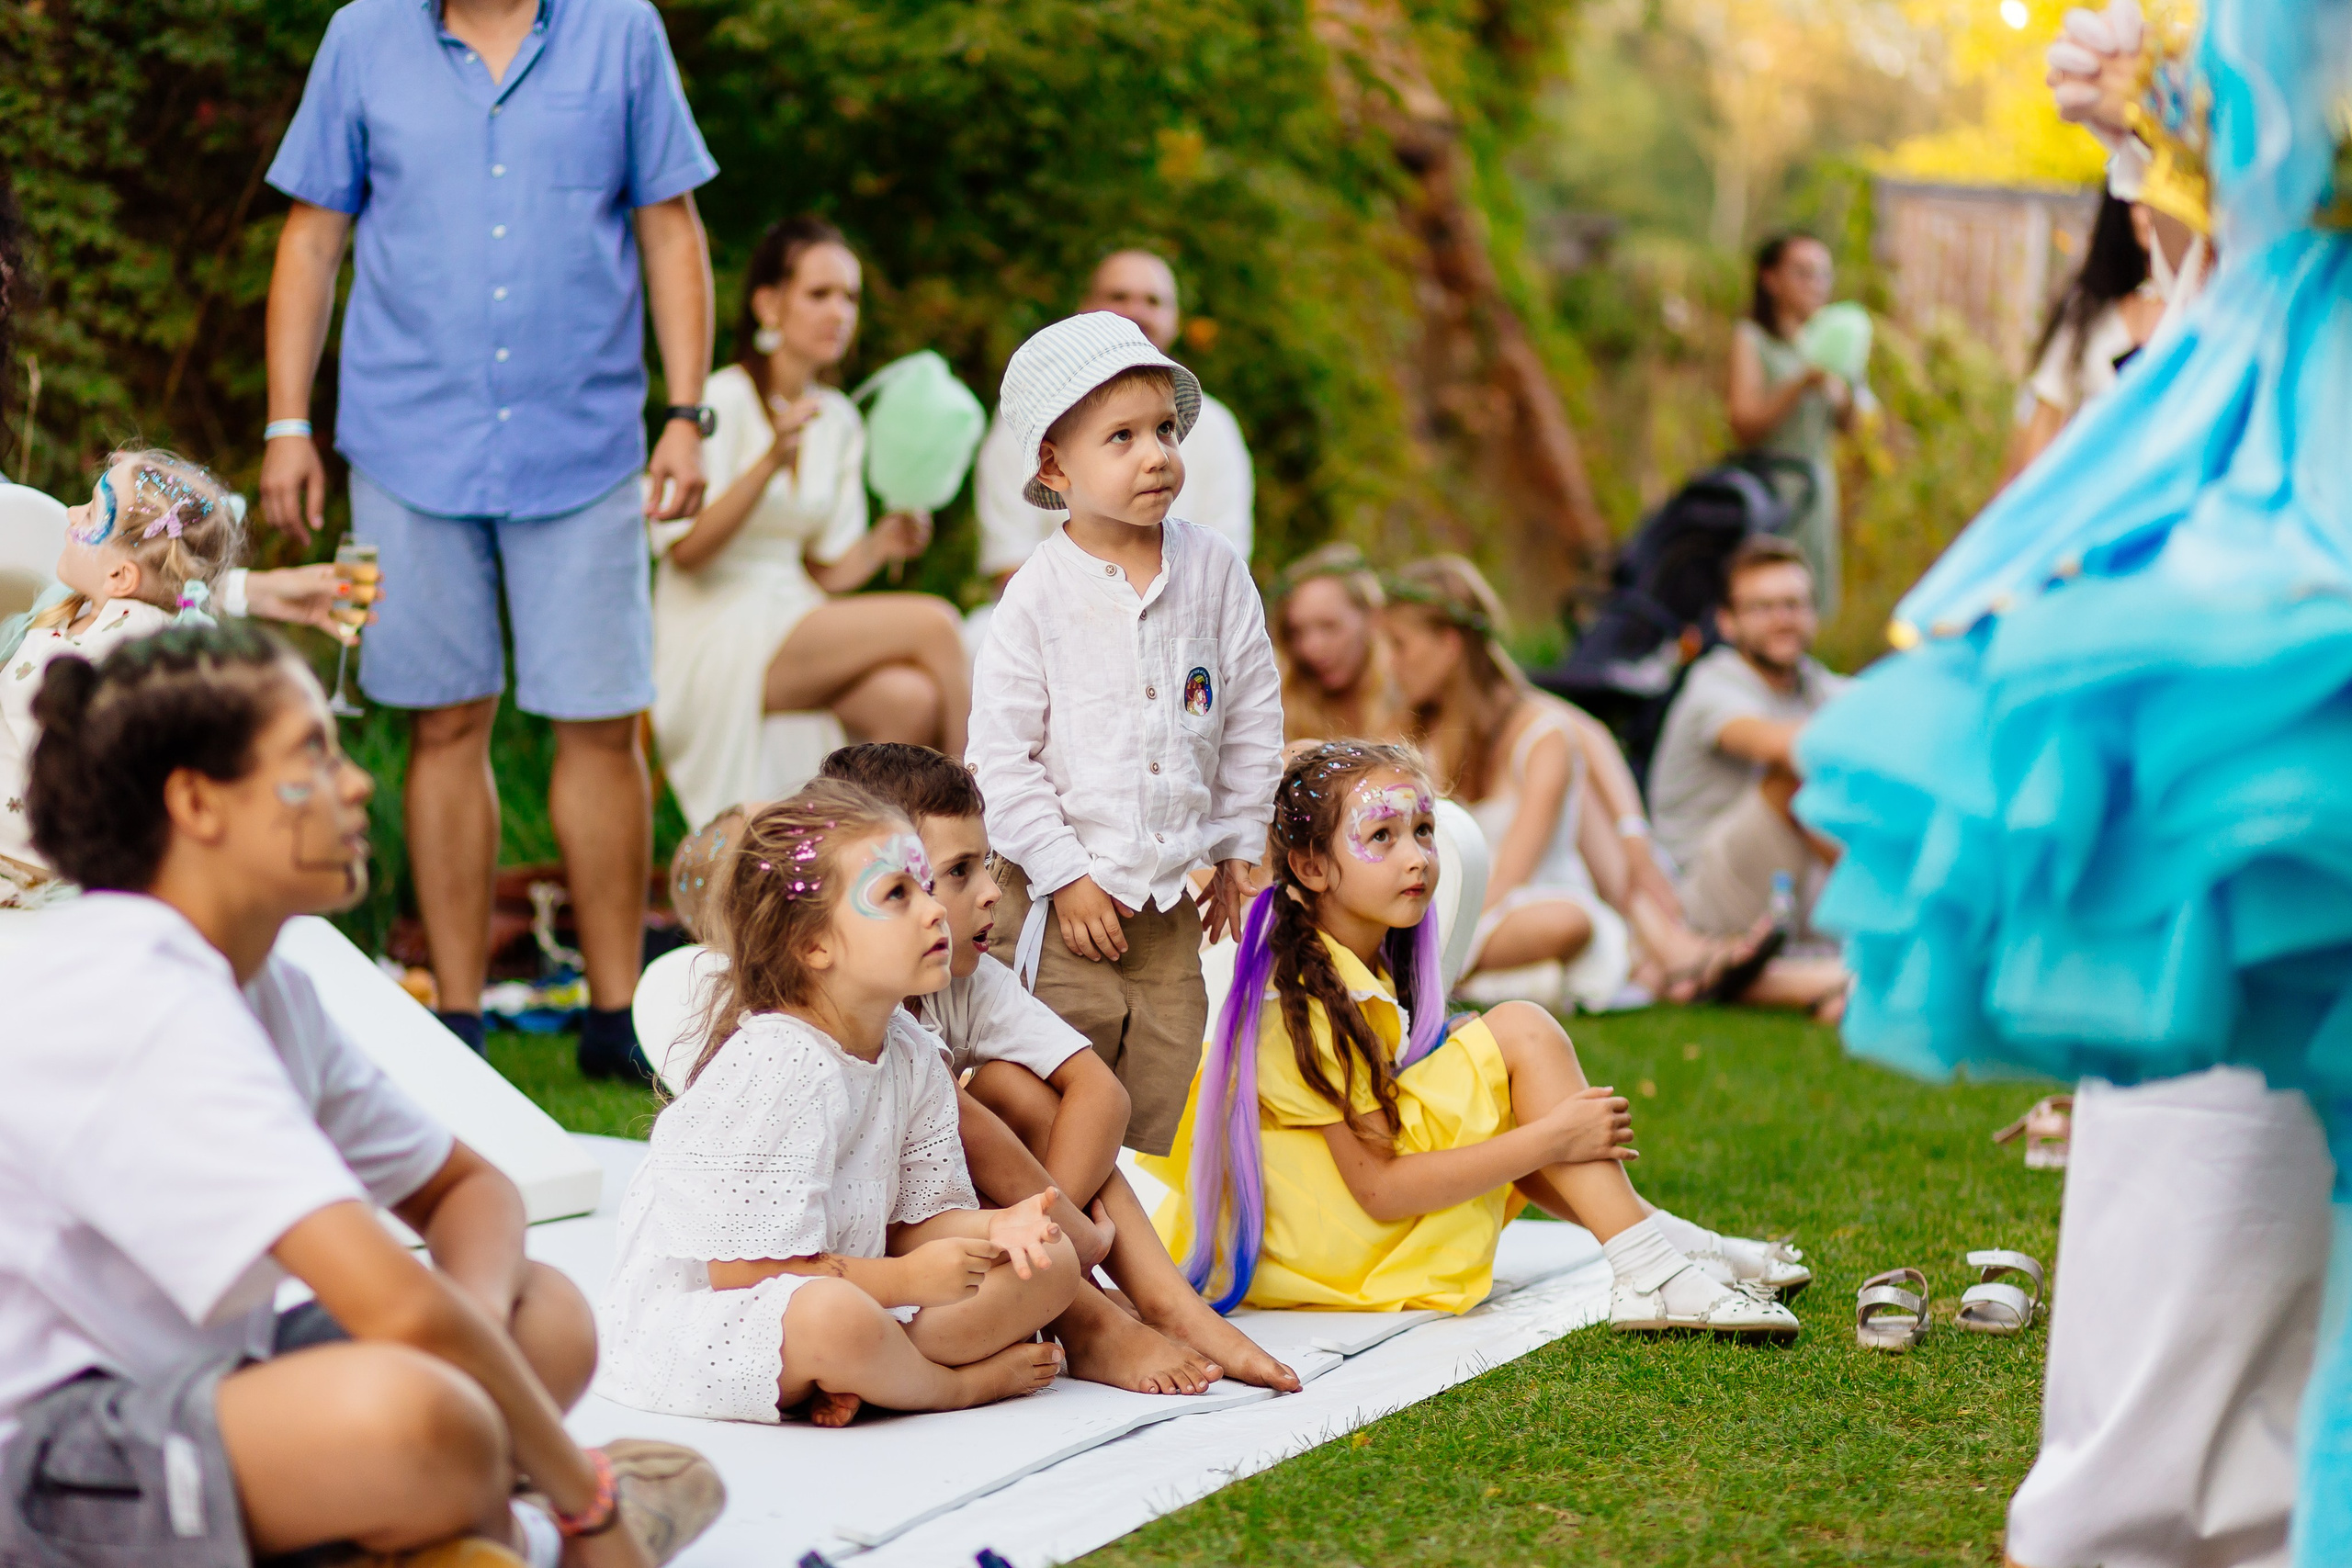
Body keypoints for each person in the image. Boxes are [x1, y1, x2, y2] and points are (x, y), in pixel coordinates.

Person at [1795, 1, 2349, 1562]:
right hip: (2265, 570)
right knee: (2214, 1108)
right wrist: (2180, 118)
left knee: (2219, 1113)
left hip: (2286, 563)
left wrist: (2186, 108)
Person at [0, 620, 721, 1568]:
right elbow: (398, 1311)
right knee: (420, 1418)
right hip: (45, 1449)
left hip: (211, 1380)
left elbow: (472, 1190)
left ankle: (432, 1522)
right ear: (197, 804)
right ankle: (530, 1533)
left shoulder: (267, 982)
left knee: (543, 1317)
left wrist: (474, 1361)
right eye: (312, 753)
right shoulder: (136, 990)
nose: (357, 784)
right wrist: (583, 1499)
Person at [258, 0, 721, 1074]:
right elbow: (313, 235)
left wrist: (687, 416)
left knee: (604, 725)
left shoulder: (623, 33)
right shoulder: (361, 37)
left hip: (588, 443)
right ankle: (456, 1016)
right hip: (407, 439)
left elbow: (669, 229)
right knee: (445, 723)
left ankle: (618, 1020)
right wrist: (290, 423)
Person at [1145, 741, 1805, 1331]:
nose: (1417, 858)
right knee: (1519, 1031)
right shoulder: (1297, 999)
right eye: (1382, 836)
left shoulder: (1359, 961)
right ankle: (1650, 1262)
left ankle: (1657, 1242)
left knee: (1489, 1042)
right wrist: (1552, 1136)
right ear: (1312, 868)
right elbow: (1379, 1189)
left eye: (1424, 830)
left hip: (1342, 1227)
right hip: (1335, 1249)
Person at [817, 741, 1303, 1393]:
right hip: (857, 1262)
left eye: (985, 863)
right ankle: (1094, 1322)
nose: (992, 892)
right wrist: (1069, 1236)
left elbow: (1100, 1092)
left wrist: (1060, 1227)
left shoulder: (964, 982)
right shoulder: (838, 1014)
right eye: (959, 871)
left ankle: (1164, 1305)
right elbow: (960, 1129)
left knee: (1008, 1086)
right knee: (973, 1107)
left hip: (948, 1231)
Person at [597, 783, 1077, 1428]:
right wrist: (908, 1281)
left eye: (925, 887)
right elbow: (741, 1271)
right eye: (896, 894)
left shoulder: (908, 1049)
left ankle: (873, 1374)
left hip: (857, 1281)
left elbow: (913, 1222)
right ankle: (946, 1386)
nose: (934, 911)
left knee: (1053, 1261)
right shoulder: (780, 1061)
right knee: (834, 1317)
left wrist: (994, 1229)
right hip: (726, 1313)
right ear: (814, 945)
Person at [968, 311, 1284, 1158]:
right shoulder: (1037, 595)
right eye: (1122, 437)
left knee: (1162, 1074)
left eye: (1165, 430)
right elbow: (1001, 758)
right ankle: (1059, 1246)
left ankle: (1131, 1245)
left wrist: (1236, 843)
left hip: (1170, 899)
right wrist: (1064, 874)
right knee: (1062, 1088)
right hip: (1060, 900)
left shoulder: (1214, 569)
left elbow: (1250, 709)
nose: (1157, 454)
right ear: (1054, 465)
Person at [651, 217, 969, 831]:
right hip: (715, 624)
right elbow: (685, 551)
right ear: (769, 304)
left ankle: (863, 865)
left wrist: (883, 543)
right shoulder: (723, 399)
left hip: (792, 610)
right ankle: (975, 831)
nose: (839, 313)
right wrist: (769, 462)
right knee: (938, 624)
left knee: (910, 701)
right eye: (819, 294)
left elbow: (825, 574)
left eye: (850, 297)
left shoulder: (841, 419)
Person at [1384, 556, 1799, 1009]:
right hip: (1441, 908)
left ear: (1448, 646)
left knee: (1567, 921)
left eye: (1400, 646)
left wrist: (1634, 837)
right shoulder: (1404, 734)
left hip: (1507, 906)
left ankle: (1421, 964)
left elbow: (1508, 878)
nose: (1390, 664)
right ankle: (1723, 967)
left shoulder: (1536, 729)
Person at [1, 450, 244, 900]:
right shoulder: (83, 608)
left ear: (119, 575)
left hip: (21, 863)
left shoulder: (120, 652)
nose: (70, 515)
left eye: (90, 510)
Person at [972, 250, 1255, 591]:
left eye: (1153, 301)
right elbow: (1010, 560)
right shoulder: (1031, 422)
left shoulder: (1216, 426)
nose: (1136, 312)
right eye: (1118, 296)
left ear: (1176, 320)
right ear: (1084, 308)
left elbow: (1228, 559)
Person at [1649, 536, 1847, 941]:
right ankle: (1898, 907)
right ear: (1727, 621)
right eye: (1762, 608)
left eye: (1793, 604)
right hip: (1701, 894)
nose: (1782, 619)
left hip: (1784, 882)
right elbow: (1776, 746)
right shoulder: (1714, 682)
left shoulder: (1814, 684)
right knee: (1793, 776)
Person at [1726, 233, 1863, 620]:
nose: (1815, 285)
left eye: (1823, 274)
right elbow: (1744, 425)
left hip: (1817, 490)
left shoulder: (1834, 342)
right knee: (1767, 600)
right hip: (1771, 493)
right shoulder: (1752, 339)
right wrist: (1799, 383)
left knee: (1809, 600)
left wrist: (1843, 392)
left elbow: (1850, 427)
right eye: (1802, 273)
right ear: (1771, 280)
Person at [1999, 195, 2164, 485]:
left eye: (2157, 201)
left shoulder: (2206, 312)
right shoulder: (2091, 310)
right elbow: (2046, 415)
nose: (2143, 216)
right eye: (2135, 202)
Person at [1269, 542, 1404, 743]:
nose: (1311, 648)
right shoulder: (1278, 708)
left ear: (1372, 617)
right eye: (1297, 632)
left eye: (1329, 626)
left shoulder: (1410, 698)